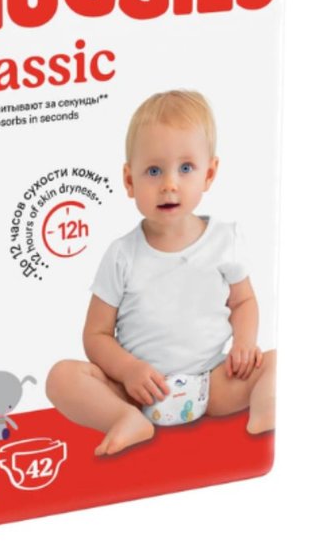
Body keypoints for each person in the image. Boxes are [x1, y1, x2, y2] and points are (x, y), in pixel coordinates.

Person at [45, 90, 276, 456]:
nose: (170, 184)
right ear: (129, 180)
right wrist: (129, 370)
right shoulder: (122, 255)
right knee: (61, 376)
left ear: (209, 173)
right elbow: (96, 334)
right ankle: (124, 419)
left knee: (278, 362)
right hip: (137, 392)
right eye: (154, 171)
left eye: (186, 168)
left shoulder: (225, 240)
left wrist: (244, 344)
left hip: (213, 383)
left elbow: (243, 301)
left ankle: (266, 410)